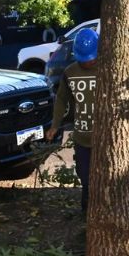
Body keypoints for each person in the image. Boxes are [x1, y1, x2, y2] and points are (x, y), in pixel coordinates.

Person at [48, 28, 99, 213]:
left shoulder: (109, 69)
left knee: (103, 179)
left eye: (90, 58)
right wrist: (55, 124)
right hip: (81, 138)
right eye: (83, 59)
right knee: (85, 179)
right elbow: (61, 99)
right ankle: (87, 213)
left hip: (104, 140)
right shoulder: (70, 72)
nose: (87, 62)